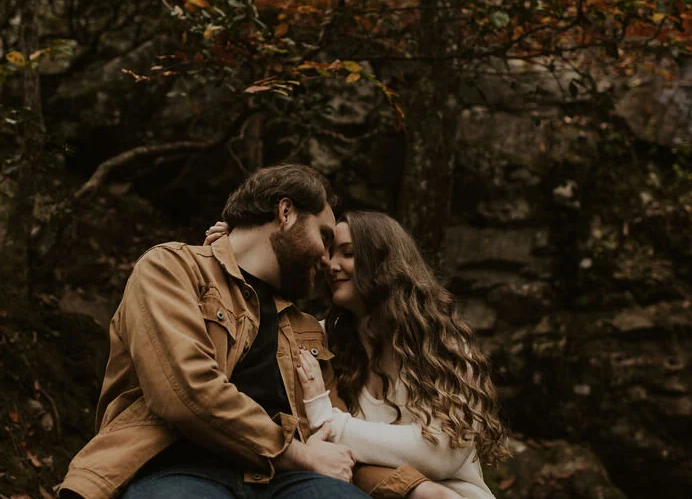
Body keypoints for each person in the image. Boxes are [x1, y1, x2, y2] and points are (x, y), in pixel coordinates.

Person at [59, 165, 454, 499]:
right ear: (285, 213)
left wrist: (414, 489)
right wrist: (297, 453)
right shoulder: (172, 269)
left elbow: (332, 439)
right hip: (180, 468)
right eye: (325, 238)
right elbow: (184, 392)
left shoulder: (305, 329)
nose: (327, 259)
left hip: (290, 482)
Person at [206, 211, 506, 499]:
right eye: (330, 253)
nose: (331, 265)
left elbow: (441, 453)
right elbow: (261, 324)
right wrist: (235, 256)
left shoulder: (441, 345)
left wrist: (328, 419)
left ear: (384, 261)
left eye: (347, 253)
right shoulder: (320, 341)